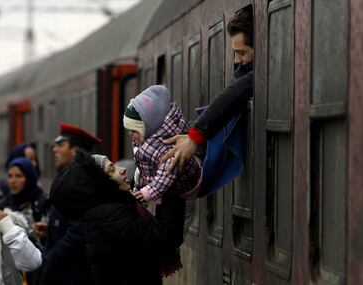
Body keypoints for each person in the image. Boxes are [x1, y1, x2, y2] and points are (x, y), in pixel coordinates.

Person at [50, 150, 186, 285]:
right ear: (97, 184)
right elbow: (165, 236)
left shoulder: (102, 212)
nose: (122, 170)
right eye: (112, 170)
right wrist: (170, 185)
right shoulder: (108, 215)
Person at [160, 6, 254, 173]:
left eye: (242, 53)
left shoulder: (253, 74)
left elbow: (236, 92)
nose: (237, 60)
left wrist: (195, 136)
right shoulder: (245, 70)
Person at [35, 122, 101, 285]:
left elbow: (77, 231)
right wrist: (51, 228)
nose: (54, 149)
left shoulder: (80, 180)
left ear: (75, 151)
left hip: (73, 274)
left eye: (60, 145)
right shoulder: (72, 176)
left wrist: (50, 259)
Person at [123, 84, 201, 202]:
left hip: (186, 188)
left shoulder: (164, 145)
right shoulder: (149, 140)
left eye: (134, 130)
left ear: (148, 128)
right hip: (166, 188)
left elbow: (168, 170)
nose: (130, 134)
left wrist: (148, 192)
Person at [4, 158, 49, 235]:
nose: (12, 181)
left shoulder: (44, 202)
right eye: (10, 176)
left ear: (29, 178)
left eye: (18, 176)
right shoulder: (5, 203)